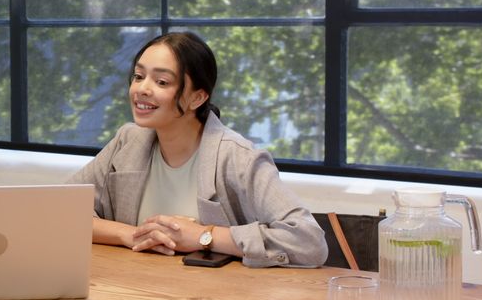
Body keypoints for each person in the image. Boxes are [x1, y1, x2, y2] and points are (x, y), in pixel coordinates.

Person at [67, 31, 327, 267]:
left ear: (197, 97)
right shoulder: (127, 141)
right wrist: (131, 234)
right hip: (137, 294)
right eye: (138, 76)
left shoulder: (237, 156)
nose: (142, 89)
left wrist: (205, 236)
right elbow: (59, 212)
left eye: (162, 82)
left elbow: (308, 242)